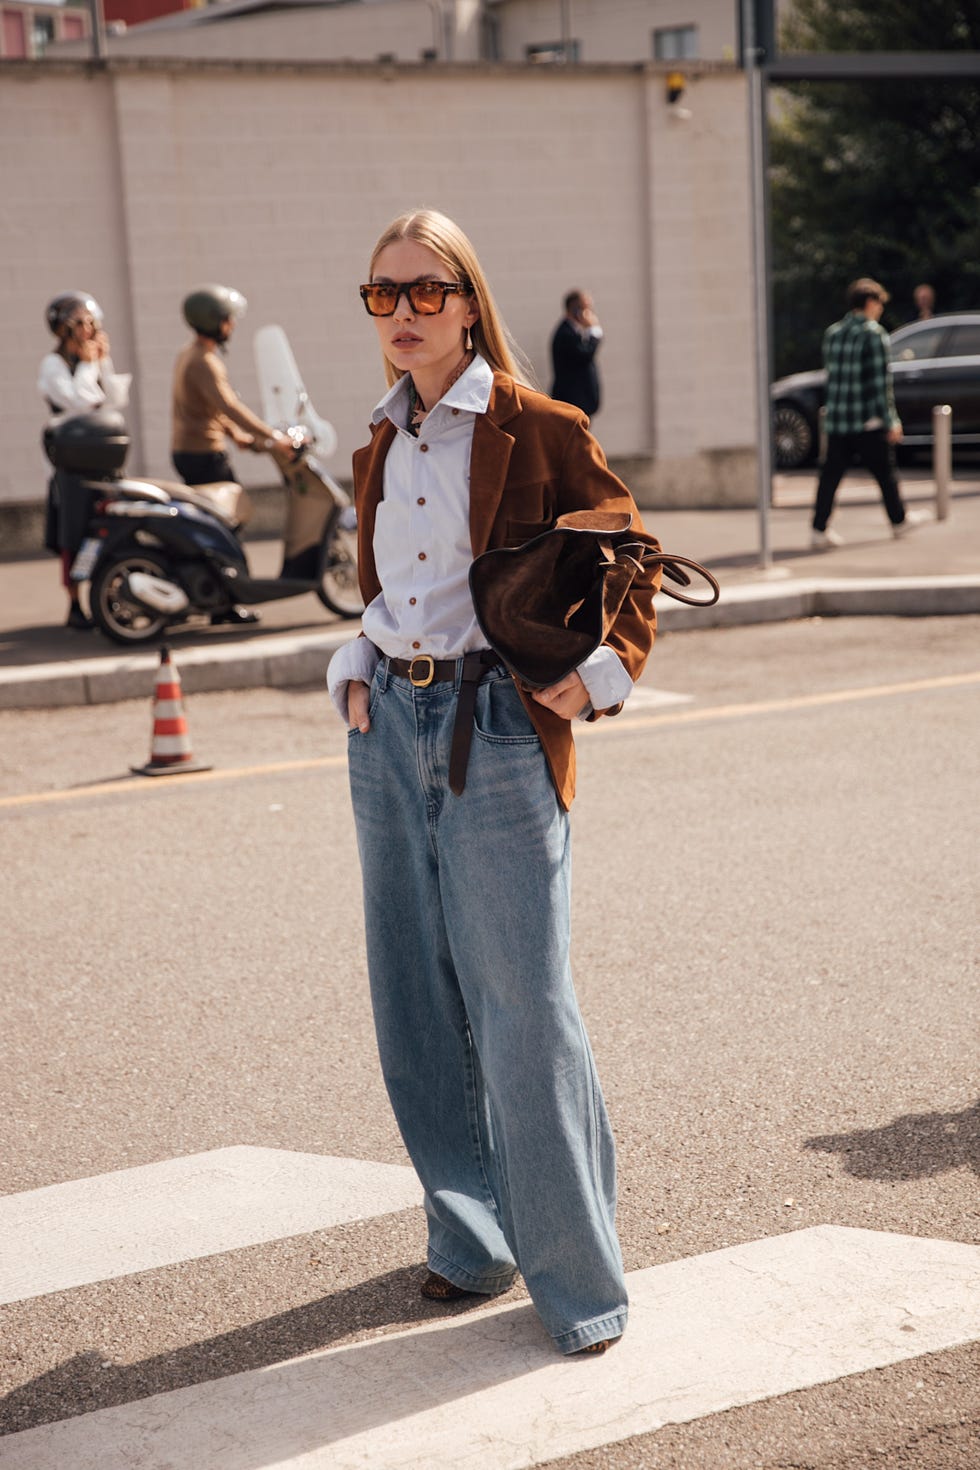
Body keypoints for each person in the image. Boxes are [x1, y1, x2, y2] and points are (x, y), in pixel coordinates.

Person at [327, 209, 661, 1357]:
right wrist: (353, 657)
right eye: (384, 295)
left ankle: (578, 1281)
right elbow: (383, 585)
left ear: (468, 301)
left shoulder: (536, 426)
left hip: (497, 726)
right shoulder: (379, 437)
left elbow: (629, 552)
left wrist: (609, 671)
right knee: (414, 1001)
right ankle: (469, 1239)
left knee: (523, 1009)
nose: (405, 314)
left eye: (426, 292)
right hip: (388, 724)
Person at [171, 284, 290, 624]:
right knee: (226, 526)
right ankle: (226, 603)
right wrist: (273, 436)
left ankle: (213, 598)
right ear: (214, 322)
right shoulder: (205, 362)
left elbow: (204, 408)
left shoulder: (189, 354)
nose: (232, 326)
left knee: (214, 525)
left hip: (190, 451)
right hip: (204, 455)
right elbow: (228, 405)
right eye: (228, 320)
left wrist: (234, 434)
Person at [811, 278, 929, 550]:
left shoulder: (833, 333)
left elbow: (832, 377)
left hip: (839, 418)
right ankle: (899, 521)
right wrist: (891, 420)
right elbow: (879, 384)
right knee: (885, 473)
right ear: (870, 303)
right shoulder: (873, 334)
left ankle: (818, 529)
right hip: (867, 420)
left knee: (830, 476)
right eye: (879, 304)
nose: (880, 310)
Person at [38, 291, 131, 630]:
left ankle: (111, 592)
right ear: (62, 328)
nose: (88, 330)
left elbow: (114, 399)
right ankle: (75, 602)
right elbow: (78, 401)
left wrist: (102, 362)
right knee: (73, 535)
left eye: (92, 322)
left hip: (101, 458)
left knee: (112, 527)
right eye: (79, 323)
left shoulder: (92, 360)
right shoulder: (54, 366)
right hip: (70, 464)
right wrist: (90, 365)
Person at [550, 289, 603, 417]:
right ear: (576, 310)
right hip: (573, 402)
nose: (590, 314)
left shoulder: (574, 331)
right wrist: (594, 331)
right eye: (587, 309)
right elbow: (585, 355)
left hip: (581, 402)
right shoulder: (565, 334)